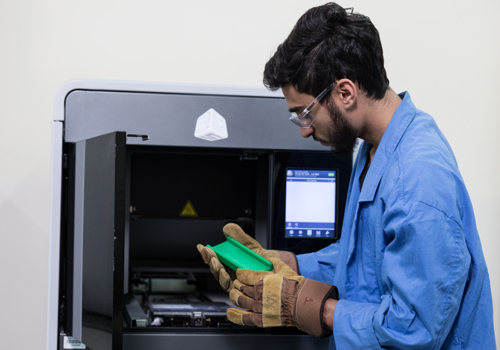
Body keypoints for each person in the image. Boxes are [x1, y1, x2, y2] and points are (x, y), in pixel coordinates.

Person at [198, 3, 496, 349]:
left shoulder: (417, 179)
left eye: (305, 113)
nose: (304, 131)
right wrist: (288, 263)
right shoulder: (376, 147)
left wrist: (306, 306)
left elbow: (412, 329)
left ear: (345, 92)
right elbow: (367, 260)